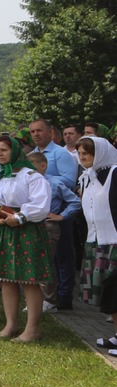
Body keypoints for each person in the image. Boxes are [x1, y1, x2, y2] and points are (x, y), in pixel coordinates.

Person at [0, 130, 51, 343]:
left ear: (15, 151)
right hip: (0, 228)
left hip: (25, 230)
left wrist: (21, 217)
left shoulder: (31, 176)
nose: (0, 154)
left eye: (4, 150)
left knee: (29, 279)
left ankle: (32, 328)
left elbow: (41, 204)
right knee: (7, 277)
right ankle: (11, 323)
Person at [28, 116, 80, 311]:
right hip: (39, 213)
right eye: (32, 131)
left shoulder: (60, 153)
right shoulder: (31, 154)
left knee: (63, 254)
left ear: (50, 132)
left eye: (39, 130)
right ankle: (47, 295)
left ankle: (64, 296)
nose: (36, 134)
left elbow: (69, 181)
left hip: (59, 208)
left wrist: (44, 179)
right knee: (43, 257)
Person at [77, 135, 117, 340]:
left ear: (99, 153)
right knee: (108, 294)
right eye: (80, 153)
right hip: (96, 242)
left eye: (87, 153)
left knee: (115, 291)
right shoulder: (86, 178)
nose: (82, 157)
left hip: (113, 241)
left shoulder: (114, 173)